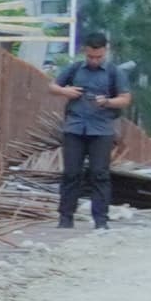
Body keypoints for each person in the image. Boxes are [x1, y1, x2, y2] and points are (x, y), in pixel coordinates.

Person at [51, 26, 131, 230]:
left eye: (98, 57)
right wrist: (65, 91)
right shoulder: (75, 69)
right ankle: (65, 218)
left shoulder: (115, 72)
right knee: (71, 174)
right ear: (84, 51)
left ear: (106, 51)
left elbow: (125, 99)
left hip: (101, 130)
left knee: (100, 174)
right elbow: (52, 86)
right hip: (74, 128)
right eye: (90, 56)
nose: (94, 60)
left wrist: (107, 102)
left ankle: (101, 220)